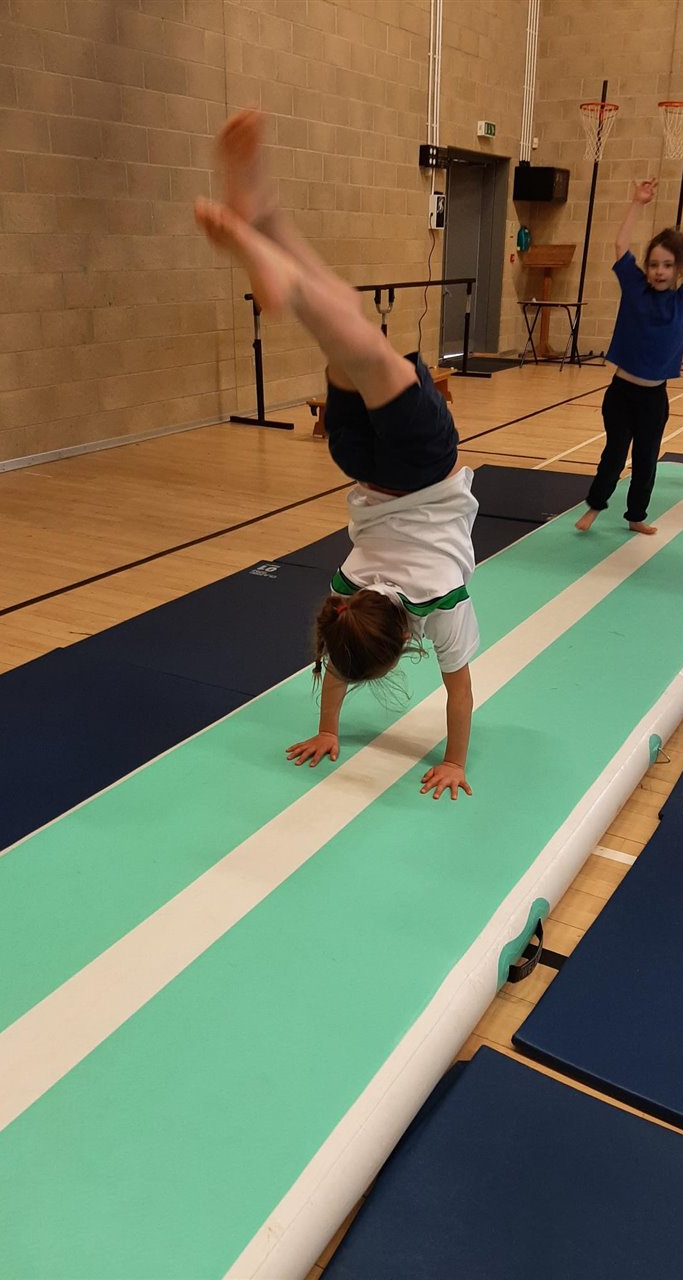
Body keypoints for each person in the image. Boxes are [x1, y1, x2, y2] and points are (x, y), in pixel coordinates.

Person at [195, 110, 478, 801]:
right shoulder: (344, 592)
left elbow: (460, 692)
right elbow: (333, 665)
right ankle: (267, 219)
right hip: (359, 465)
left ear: (401, 642)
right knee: (346, 328)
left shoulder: (440, 608)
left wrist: (455, 761)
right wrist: (327, 726)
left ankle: (281, 271)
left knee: (358, 338)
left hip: (423, 467)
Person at [575, 178, 683, 536]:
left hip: (654, 397)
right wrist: (637, 203)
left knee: (646, 459)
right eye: (654, 264)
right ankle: (595, 506)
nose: (659, 271)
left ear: (678, 269)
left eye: (667, 265)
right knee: (614, 452)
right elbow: (620, 245)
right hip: (621, 392)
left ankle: (636, 515)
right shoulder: (635, 288)